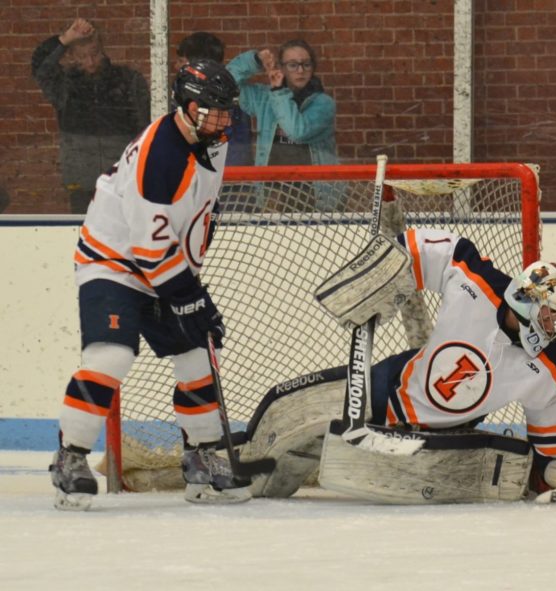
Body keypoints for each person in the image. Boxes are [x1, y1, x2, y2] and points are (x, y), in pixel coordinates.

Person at [239, 228, 556, 504]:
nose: (553, 327)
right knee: (283, 413)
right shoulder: (475, 282)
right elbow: (422, 249)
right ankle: (228, 469)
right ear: (528, 303)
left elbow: (554, 455)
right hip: (387, 389)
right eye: (550, 315)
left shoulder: (553, 372)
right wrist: (383, 274)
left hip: (446, 437)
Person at [48, 60, 251, 511]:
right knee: (112, 356)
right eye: (211, 110)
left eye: (226, 111)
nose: (221, 120)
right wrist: (187, 296)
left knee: (198, 354)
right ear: (186, 104)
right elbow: (147, 245)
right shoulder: (159, 153)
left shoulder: (210, 142)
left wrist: (191, 291)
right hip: (114, 262)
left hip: (165, 265)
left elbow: (192, 217)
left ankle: (200, 457)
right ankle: (70, 457)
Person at [31, 18, 150, 214]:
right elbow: (40, 67)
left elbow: (145, 126)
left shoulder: (128, 80)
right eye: (82, 57)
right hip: (82, 181)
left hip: (123, 177)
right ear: (71, 56)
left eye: (95, 54)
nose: (91, 63)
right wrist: (65, 39)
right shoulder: (65, 84)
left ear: (103, 49)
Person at [227, 39, 341, 210]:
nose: (300, 70)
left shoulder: (323, 104)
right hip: (273, 195)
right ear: (281, 68)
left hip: (316, 196)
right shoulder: (264, 98)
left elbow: (297, 131)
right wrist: (255, 61)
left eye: (306, 64)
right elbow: (226, 83)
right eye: (293, 65)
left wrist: (279, 92)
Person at [173, 32, 252, 167]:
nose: (176, 66)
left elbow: (235, 158)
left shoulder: (227, 106)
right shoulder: (230, 101)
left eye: (181, 60)